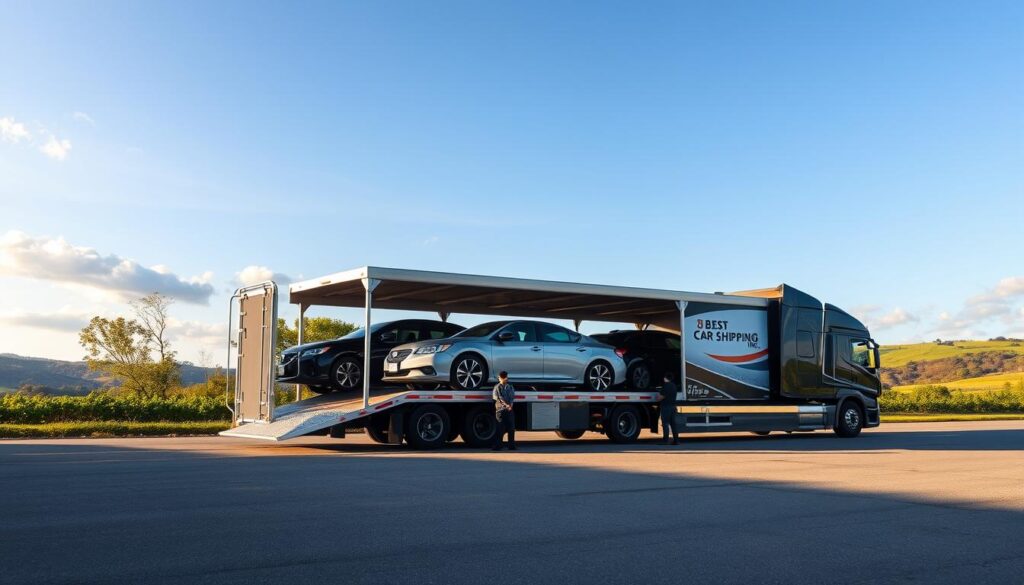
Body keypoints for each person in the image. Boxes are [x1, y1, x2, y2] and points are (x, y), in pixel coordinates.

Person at [492, 371, 517, 451]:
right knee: (503, 428)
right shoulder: (501, 387)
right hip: (503, 410)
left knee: (509, 428)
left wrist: (509, 406)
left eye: (500, 377)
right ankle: (503, 445)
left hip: (505, 410)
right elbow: (500, 398)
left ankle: (508, 445)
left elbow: (510, 397)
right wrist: (508, 405)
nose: (499, 379)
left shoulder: (506, 387)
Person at [658, 372, 680, 445]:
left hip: (666, 407)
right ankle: (676, 440)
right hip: (673, 406)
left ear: (665, 378)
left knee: (665, 424)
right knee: (673, 424)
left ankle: (665, 440)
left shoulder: (666, 386)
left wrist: (657, 398)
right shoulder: (674, 386)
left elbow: (662, 396)